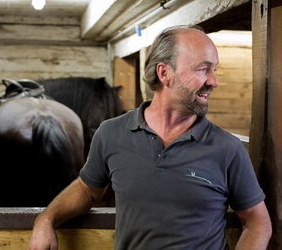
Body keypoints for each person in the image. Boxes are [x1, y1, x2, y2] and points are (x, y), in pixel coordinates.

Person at [28, 26, 272, 250]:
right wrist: (46, 218)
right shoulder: (111, 134)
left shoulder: (227, 149)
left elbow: (258, 220)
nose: (214, 81)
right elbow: (86, 189)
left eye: (214, 69)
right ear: (164, 73)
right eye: (203, 69)